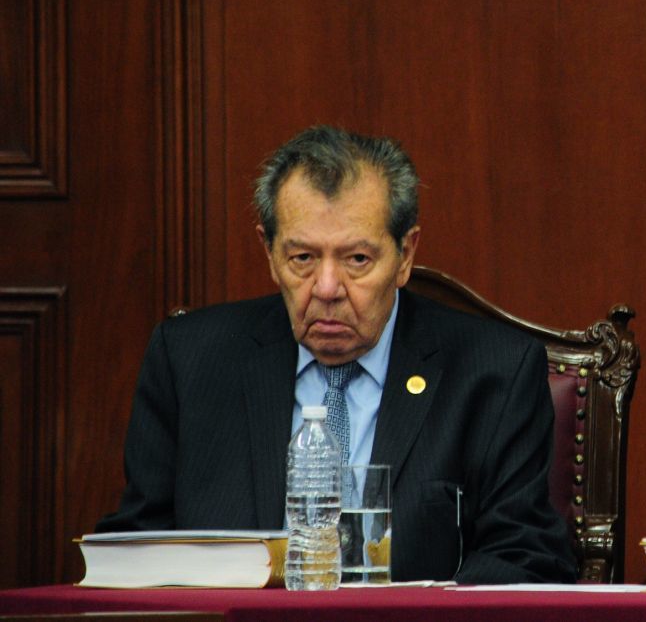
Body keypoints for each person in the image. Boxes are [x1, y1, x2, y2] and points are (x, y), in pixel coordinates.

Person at [99, 125, 576, 584]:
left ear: (405, 255)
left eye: (357, 260)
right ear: (268, 252)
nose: (327, 289)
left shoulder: (493, 373)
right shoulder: (190, 362)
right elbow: (138, 552)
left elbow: (526, 557)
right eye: (302, 258)